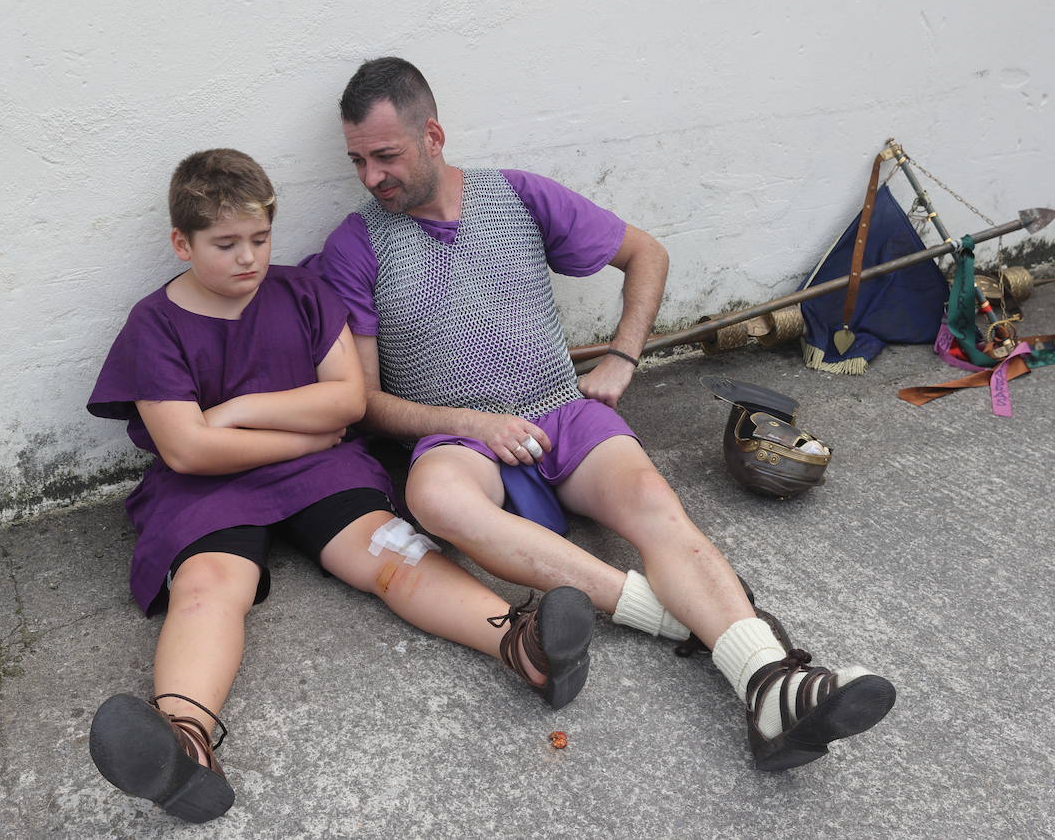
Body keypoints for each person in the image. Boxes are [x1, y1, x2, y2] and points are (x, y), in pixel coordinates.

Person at [318, 58, 896, 772]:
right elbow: (366, 400)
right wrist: (474, 424)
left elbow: (644, 252)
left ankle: (773, 687)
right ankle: (684, 622)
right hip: (458, 436)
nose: (372, 177)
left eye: (386, 156)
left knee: (657, 508)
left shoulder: (518, 197)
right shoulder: (354, 245)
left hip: (563, 410)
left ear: (432, 135)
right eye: (357, 161)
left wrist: (624, 356)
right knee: (432, 498)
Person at [84, 149, 593, 823]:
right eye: (225, 244)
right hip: (207, 485)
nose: (248, 259)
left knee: (395, 554)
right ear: (182, 242)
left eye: (260, 239)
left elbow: (348, 400)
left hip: (318, 467)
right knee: (209, 587)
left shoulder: (300, 291)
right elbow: (188, 448)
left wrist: (242, 412)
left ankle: (521, 645)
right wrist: (304, 433)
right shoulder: (154, 325)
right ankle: (183, 743)